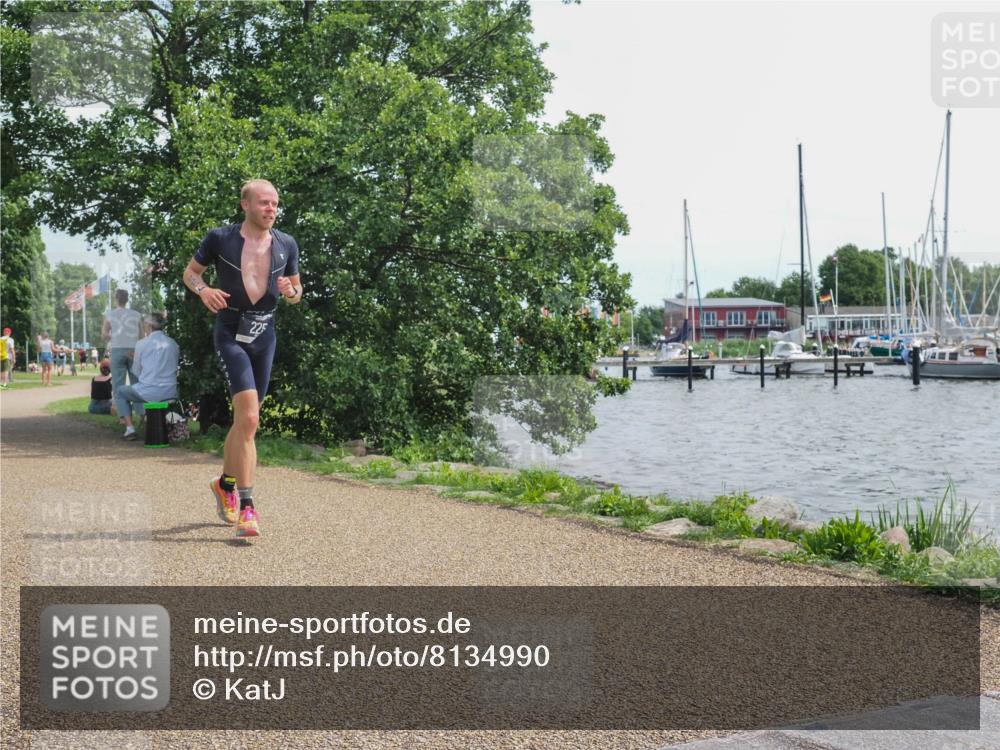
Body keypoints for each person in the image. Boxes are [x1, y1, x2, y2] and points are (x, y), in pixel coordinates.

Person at [183, 179, 302, 539]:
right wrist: (204, 292)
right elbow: (191, 274)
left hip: (265, 335)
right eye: (264, 203)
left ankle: (225, 484)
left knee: (246, 423)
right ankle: (248, 506)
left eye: (275, 204)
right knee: (250, 417)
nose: (271, 209)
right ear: (245, 205)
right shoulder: (220, 238)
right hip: (231, 330)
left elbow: (296, 292)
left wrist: (291, 291)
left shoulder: (286, 244)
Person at [115, 313, 179, 440]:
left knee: (120, 391)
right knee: (142, 389)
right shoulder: (173, 343)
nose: (143, 327)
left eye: (144, 325)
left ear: (149, 326)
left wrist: (135, 358)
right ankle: (149, 421)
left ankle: (130, 429)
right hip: (171, 391)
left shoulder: (141, 344)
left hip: (149, 391)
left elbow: (137, 372)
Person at [102, 288, 143, 403]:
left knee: (118, 384)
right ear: (127, 300)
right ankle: (141, 413)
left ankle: (122, 416)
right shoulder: (137, 315)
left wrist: (113, 337)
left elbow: (104, 334)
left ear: (116, 299)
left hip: (117, 350)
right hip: (133, 350)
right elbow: (141, 336)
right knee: (136, 383)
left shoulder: (109, 315)